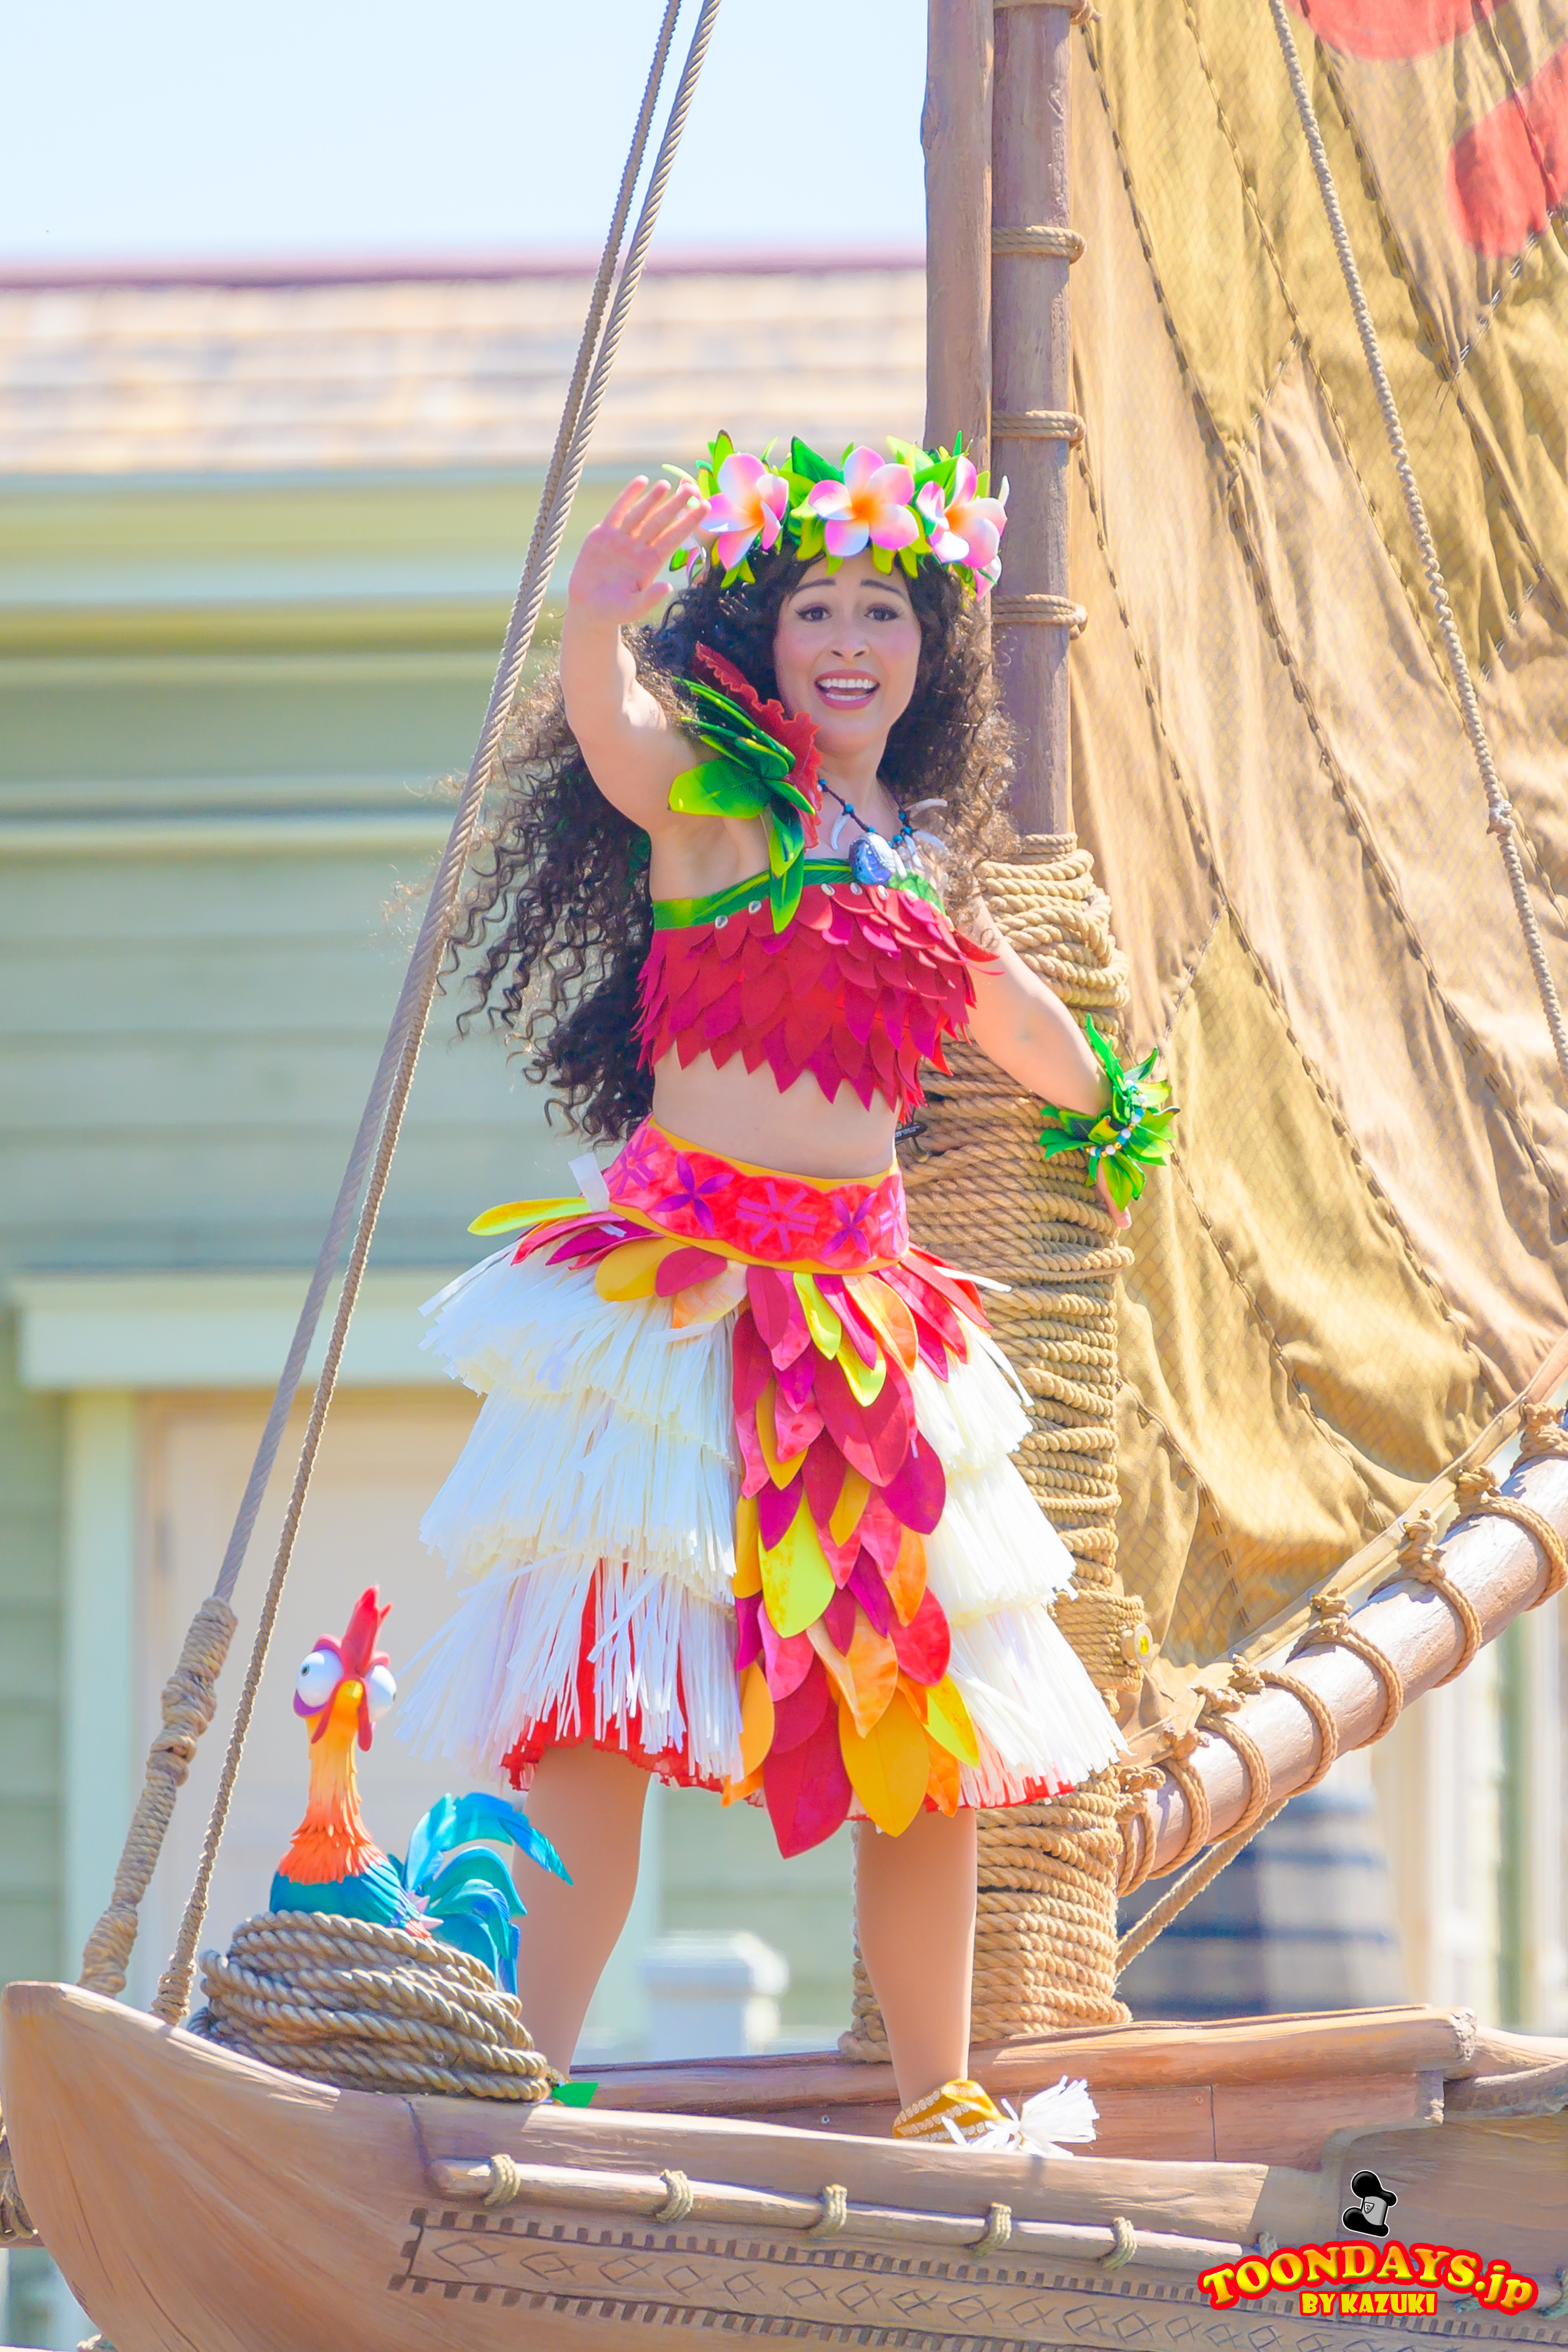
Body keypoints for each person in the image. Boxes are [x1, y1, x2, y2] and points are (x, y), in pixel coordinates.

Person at [399, 436, 1168, 2145]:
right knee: (597, 1701)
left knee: (920, 1724)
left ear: (926, 650)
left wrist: (1112, 1099)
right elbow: (618, 741)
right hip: (679, 1309)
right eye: (813, 602)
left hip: (863, 1324)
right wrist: (599, 621)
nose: (847, 634)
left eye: (881, 607)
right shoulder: (722, 793)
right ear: (758, 634)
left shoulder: (915, 855)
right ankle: (517, 2085)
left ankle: (938, 2092)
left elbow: (1014, 1018)